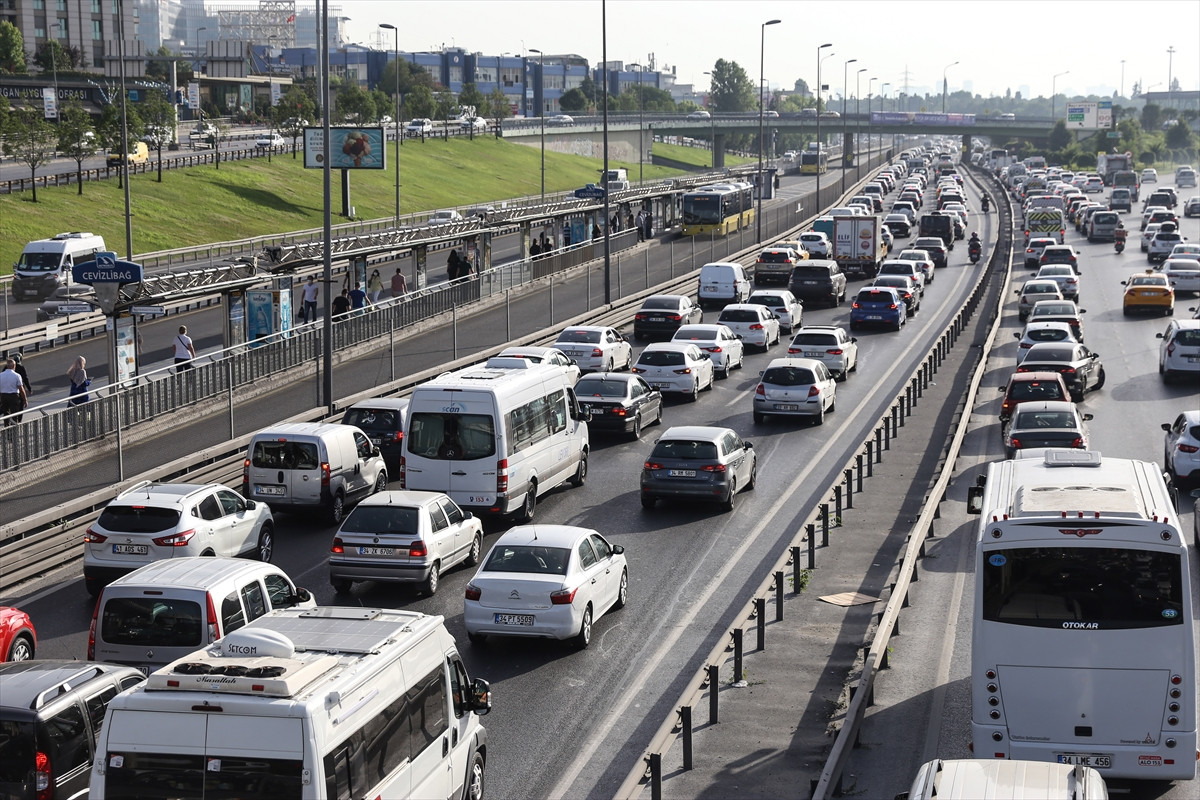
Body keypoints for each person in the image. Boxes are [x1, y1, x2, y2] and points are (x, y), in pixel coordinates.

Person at [0, 358, 27, 426]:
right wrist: (25, 399)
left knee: (6, 413)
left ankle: (7, 428)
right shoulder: (16, 376)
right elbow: (21, 389)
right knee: (14, 414)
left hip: (3, 396)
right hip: (14, 396)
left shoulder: (1, 375)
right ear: (14, 366)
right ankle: (14, 429)